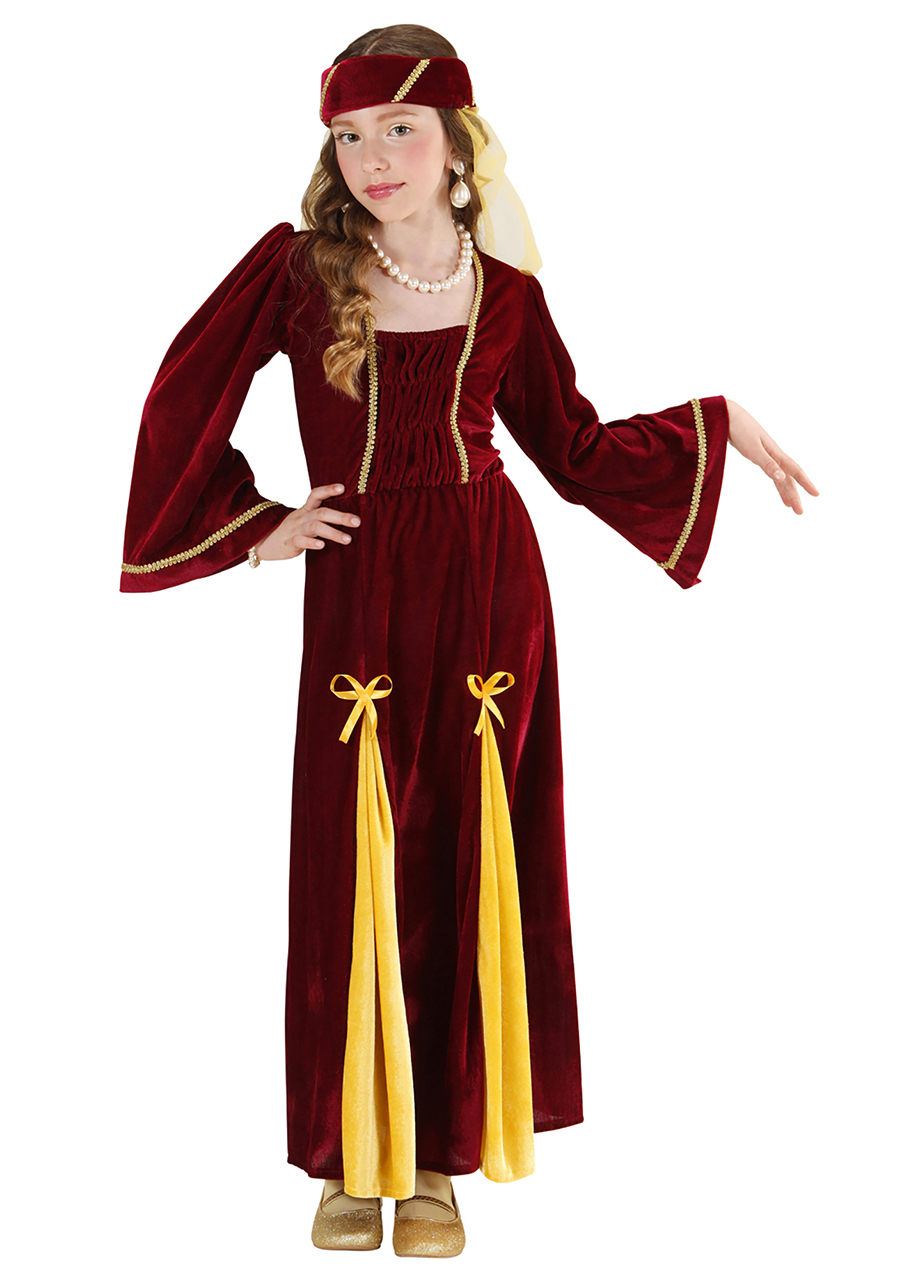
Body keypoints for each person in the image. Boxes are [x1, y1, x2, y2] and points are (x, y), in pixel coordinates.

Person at [119, 22, 818, 1260]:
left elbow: (574, 449)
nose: (372, 156)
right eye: (349, 135)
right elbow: (180, 394)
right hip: (357, 593)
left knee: (459, 854)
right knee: (351, 860)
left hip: (490, 596)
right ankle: (349, 1155)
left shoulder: (508, 295)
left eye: (399, 127)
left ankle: (437, 1157)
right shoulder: (295, 271)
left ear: (456, 142)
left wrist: (715, 422)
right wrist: (257, 523)